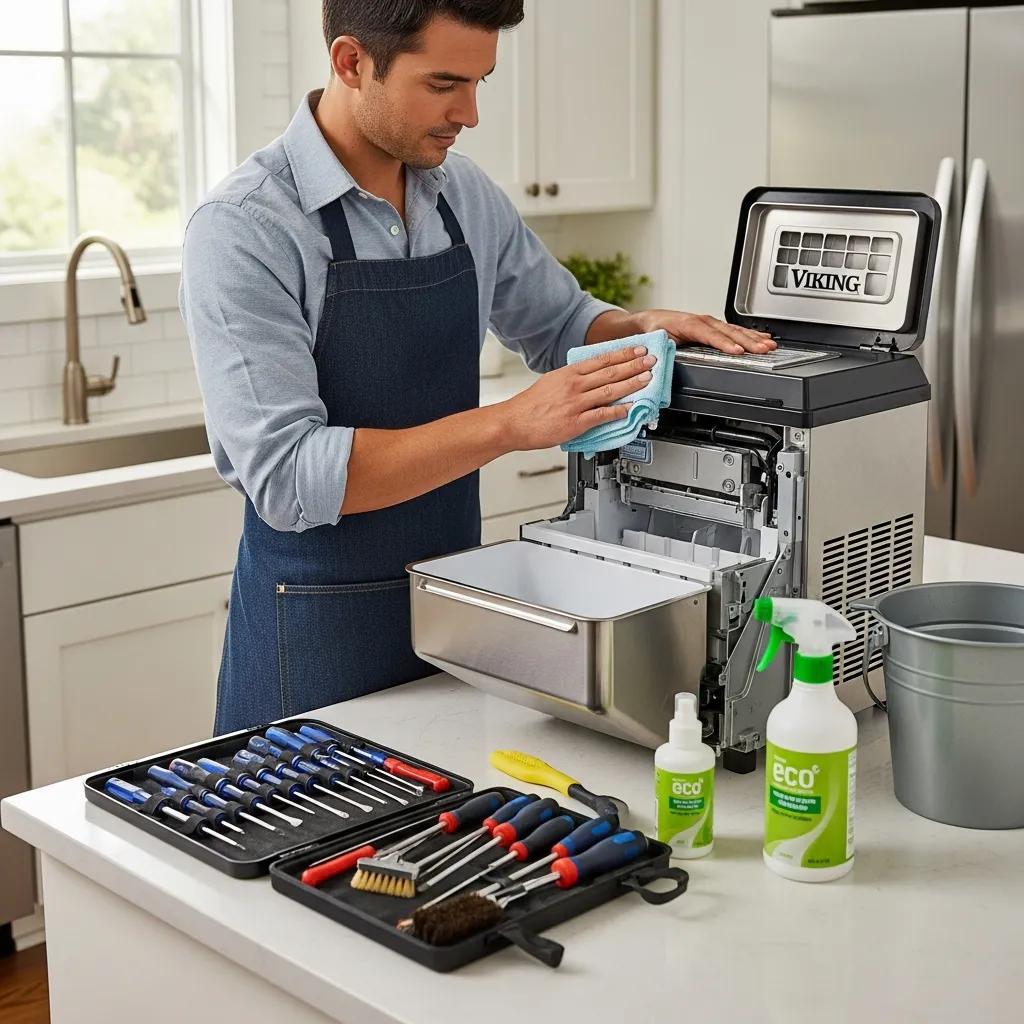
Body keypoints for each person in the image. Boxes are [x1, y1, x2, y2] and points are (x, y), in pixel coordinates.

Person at [180, 0, 775, 733]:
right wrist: (510, 425)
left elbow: (560, 323)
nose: (469, 112)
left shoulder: (462, 196)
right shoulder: (248, 227)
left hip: (457, 622)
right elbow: (288, 473)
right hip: (310, 647)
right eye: (443, 84)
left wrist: (639, 327)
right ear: (350, 62)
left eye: (479, 83)